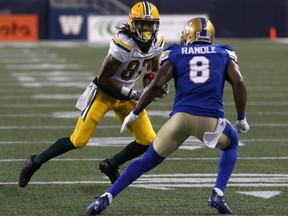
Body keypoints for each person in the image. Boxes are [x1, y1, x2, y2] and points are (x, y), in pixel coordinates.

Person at [86, 17, 250, 215]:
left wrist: (136, 111)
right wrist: (241, 117)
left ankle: (105, 198)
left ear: (188, 35)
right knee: (231, 143)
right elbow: (238, 82)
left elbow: (156, 85)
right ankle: (217, 193)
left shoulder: (176, 52)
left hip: (179, 119)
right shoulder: (224, 52)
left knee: (146, 161)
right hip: (210, 120)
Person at [18, 1, 168, 187]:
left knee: (148, 140)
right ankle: (35, 161)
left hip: (128, 96)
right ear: (132, 23)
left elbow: (153, 70)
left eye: (150, 23)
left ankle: (110, 165)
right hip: (104, 94)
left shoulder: (157, 42)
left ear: (156, 25)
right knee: (78, 140)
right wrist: (133, 92)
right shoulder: (124, 44)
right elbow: (103, 78)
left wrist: (156, 85)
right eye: (142, 23)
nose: (146, 28)